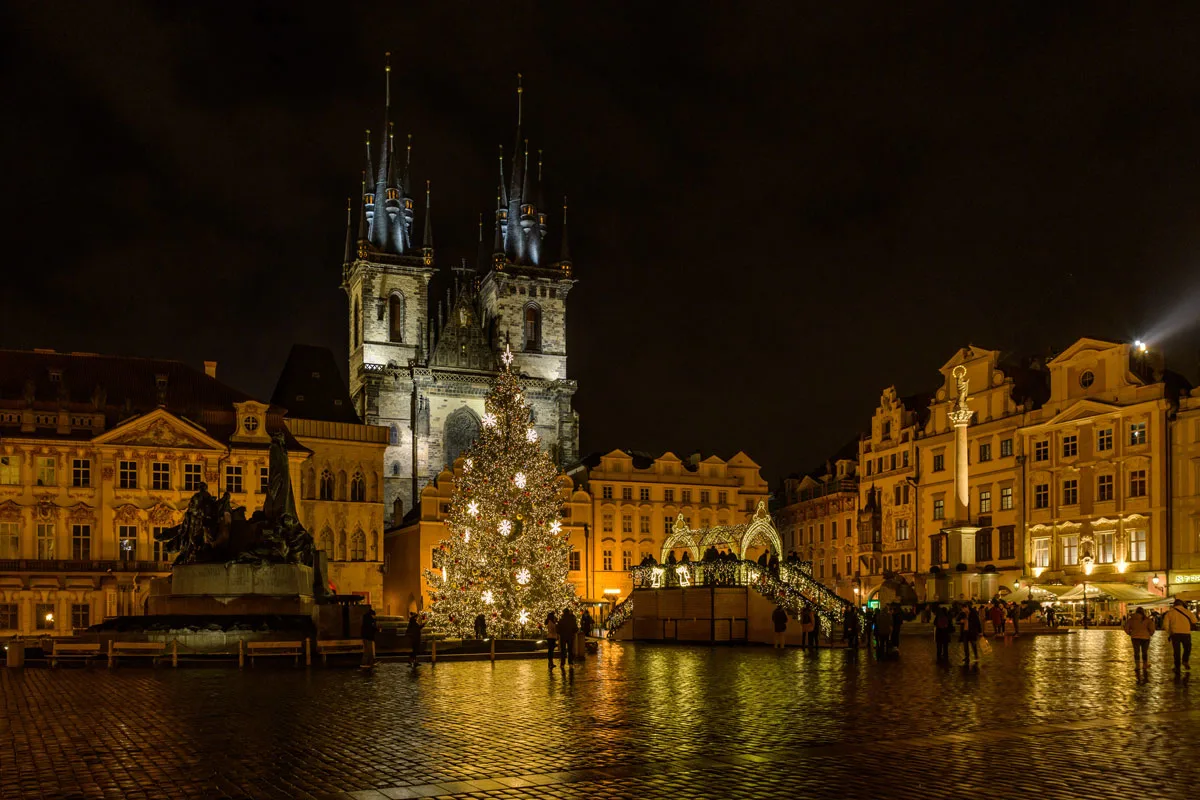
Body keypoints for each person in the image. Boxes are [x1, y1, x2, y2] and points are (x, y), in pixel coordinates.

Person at [1162, 598, 1198, 674]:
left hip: (1175, 634)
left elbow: (1165, 625)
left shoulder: (1170, 613)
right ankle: (1185, 661)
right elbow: (1195, 621)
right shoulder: (1187, 612)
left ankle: (1177, 666)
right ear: (1182, 604)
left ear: (1174, 605)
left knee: (1176, 651)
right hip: (1186, 633)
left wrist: (1169, 632)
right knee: (1187, 648)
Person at [1124, 606, 1155, 671]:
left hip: (1135, 637)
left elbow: (1126, 628)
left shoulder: (1131, 619)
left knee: (1136, 652)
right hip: (1145, 637)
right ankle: (1144, 664)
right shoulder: (1147, 619)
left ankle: (1137, 665)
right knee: (1144, 652)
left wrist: (1130, 633)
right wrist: (1150, 634)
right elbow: (1152, 628)